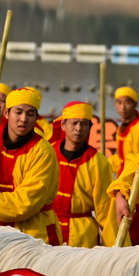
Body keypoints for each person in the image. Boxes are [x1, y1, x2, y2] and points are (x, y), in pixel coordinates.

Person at [0, 87, 62, 245]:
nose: (23, 119)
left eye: (30, 114)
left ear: (36, 118)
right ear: (6, 113)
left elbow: (28, 200)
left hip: (33, 231)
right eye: (18, 112)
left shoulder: (43, 151)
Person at [52, 101, 112, 249]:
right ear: (63, 125)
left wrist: (116, 250)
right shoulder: (47, 153)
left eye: (84, 124)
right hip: (48, 227)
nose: (79, 129)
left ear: (90, 128)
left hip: (82, 236)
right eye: (74, 123)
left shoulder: (99, 163)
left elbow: (106, 211)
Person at [109, 86, 139, 176]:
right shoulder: (121, 128)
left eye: (127, 103)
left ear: (135, 104)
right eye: (119, 103)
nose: (123, 107)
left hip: (136, 181)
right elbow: (121, 159)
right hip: (123, 176)